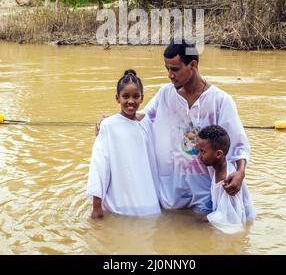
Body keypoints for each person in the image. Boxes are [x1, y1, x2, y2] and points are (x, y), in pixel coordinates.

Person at [96, 40, 250, 215]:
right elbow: (141, 118)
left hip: (206, 189)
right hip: (171, 191)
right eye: (167, 69)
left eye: (175, 69)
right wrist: (110, 122)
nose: (170, 75)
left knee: (208, 231)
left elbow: (239, 145)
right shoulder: (166, 93)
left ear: (193, 65)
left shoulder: (220, 101)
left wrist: (240, 173)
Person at [87, 69, 161, 218]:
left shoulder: (146, 123)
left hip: (147, 201)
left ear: (142, 98)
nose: (131, 101)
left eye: (136, 96)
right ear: (117, 98)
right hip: (120, 203)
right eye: (125, 96)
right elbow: (99, 165)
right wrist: (96, 206)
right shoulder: (109, 126)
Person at [197, 125, 255, 234]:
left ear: (218, 154)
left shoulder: (227, 179)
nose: (199, 156)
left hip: (229, 236)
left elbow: (232, 218)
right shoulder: (219, 170)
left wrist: (206, 219)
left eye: (202, 151)